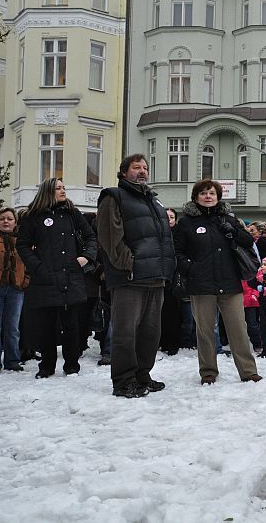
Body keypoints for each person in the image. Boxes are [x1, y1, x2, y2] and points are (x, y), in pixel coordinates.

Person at [97, 154, 175, 398]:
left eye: (145, 167)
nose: (142, 171)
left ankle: (142, 374)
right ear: (123, 172)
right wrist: (127, 264)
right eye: (136, 167)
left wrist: (167, 267)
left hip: (156, 276)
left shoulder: (154, 201)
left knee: (150, 332)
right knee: (125, 331)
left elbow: (164, 239)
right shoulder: (114, 196)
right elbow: (110, 237)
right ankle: (123, 381)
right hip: (129, 277)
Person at [174, 179, 262, 386]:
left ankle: (248, 371)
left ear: (218, 197)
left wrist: (232, 231)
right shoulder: (186, 222)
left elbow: (248, 242)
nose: (208, 197)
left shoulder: (228, 218)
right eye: (203, 193)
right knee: (205, 330)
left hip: (229, 282)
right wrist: (190, 268)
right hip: (201, 284)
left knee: (238, 328)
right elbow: (177, 252)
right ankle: (208, 371)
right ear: (196, 197)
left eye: (212, 193)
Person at [17, 178, 97, 379]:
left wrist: (85, 257)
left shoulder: (71, 213)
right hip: (45, 277)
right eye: (58, 188)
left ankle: (71, 366)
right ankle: (47, 366)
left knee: (71, 324)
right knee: (46, 326)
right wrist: (37, 267)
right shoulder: (32, 217)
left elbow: (90, 237)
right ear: (47, 191)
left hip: (70, 275)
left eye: (63, 187)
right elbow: (23, 245)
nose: (63, 191)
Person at [0, 208, 29, 373]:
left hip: (16, 288)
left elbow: (29, 262)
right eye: (2, 218)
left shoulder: (23, 239)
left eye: (10, 219)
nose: (6, 221)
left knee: (13, 327)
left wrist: (26, 279)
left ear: (15, 222)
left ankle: (12, 360)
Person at [159, 208, 182, 356]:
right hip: (159, 276)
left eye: (172, 217)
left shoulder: (179, 234)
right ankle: (160, 341)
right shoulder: (157, 234)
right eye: (166, 217)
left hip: (175, 277)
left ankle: (173, 343)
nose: (169, 220)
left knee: (173, 312)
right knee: (158, 312)